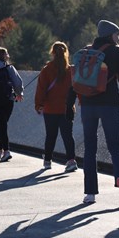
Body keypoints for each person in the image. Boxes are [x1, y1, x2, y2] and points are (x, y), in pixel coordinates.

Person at [67, 20, 119, 205]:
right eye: (117, 34)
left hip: (88, 104)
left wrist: (69, 106)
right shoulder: (117, 51)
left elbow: (75, 81)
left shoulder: (86, 52)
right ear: (110, 34)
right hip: (110, 105)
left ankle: (90, 193)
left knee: (90, 147)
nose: (118, 37)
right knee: (115, 146)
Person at [34, 41, 77, 172]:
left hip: (50, 108)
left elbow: (41, 89)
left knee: (51, 135)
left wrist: (38, 104)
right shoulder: (71, 70)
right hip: (67, 108)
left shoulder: (47, 70)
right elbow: (76, 88)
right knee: (68, 136)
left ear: (52, 53)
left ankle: (47, 160)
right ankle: (71, 160)